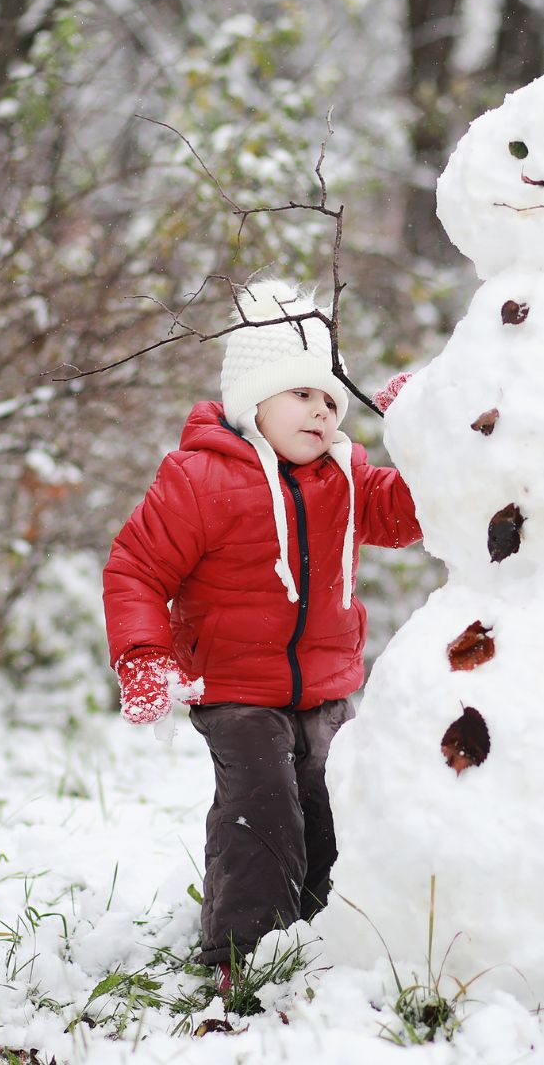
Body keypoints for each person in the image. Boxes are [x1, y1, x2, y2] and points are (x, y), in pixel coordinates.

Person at [102, 281, 422, 987]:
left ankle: (319, 934)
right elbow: (135, 569)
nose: (321, 410)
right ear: (253, 401)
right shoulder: (200, 480)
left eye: (331, 400)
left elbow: (411, 512)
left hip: (327, 688)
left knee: (329, 807)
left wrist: (430, 435)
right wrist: (145, 656)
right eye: (302, 395)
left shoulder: (347, 477)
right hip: (234, 688)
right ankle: (242, 955)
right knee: (263, 811)